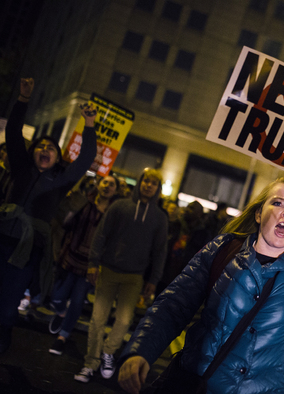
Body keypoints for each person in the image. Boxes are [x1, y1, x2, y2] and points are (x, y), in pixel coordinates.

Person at [117, 145, 284, 394]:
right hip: (196, 384)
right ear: (258, 213)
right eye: (277, 203)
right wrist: (142, 350)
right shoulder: (223, 250)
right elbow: (174, 304)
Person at [0, 78, 97, 354]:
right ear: (33, 154)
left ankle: (4, 331)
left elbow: (85, 159)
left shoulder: (61, 181)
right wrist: (23, 99)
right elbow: (14, 133)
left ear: (57, 158)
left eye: (51, 149)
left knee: (8, 305)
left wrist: (89, 125)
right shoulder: (21, 169)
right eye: (41, 147)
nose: (45, 150)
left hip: (26, 250)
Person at [74, 169, 168, 383]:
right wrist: (93, 264)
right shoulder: (120, 206)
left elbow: (160, 250)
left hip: (134, 277)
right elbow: (101, 235)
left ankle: (108, 353)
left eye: (154, 183)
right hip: (107, 270)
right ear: (140, 183)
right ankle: (90, 363)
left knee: (124, 320)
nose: (148, 185)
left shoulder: (159, 218)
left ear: (158, 189)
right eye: (146, 181)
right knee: (98, 318)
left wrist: (154, 279)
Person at [47, 175, 119, 355]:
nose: (107, 186)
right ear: (98, 185)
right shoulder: (85, 203)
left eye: (112, 184)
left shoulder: (114, 214)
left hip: (92, 264)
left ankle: (62, 336)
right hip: (71, 255)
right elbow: (66, 223)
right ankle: (61, 312)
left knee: (78, 300)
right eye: (105, 182)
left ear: (115, 191)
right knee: (57, 295)